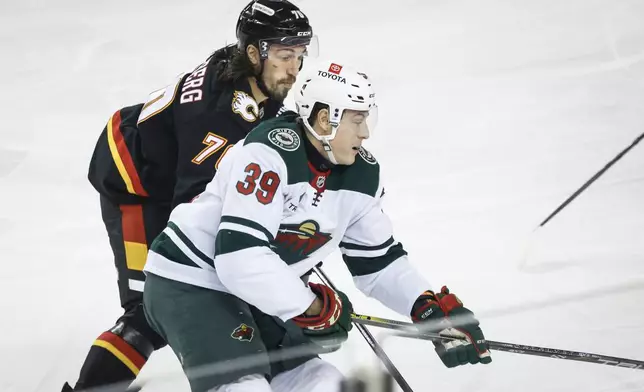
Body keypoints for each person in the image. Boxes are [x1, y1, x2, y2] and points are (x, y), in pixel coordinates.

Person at [142, 61, 492, 392]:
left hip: (264, 293)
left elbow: (378, 262)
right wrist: (308, 306)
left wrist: (427, 310)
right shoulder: (270, 152)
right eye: (356, 121)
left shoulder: (361, 173)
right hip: (190, 281)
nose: (366, 132)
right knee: (244, 386)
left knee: (322, 383)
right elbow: (239, 258)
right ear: (325, 120)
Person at [63, 1, 317, 391]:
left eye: (300, 55)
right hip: (134, 183)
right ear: (254, 53)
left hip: (169, 168)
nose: (295, 68)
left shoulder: (253, 79)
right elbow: (195, 206)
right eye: (285, 56)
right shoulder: (217, 116)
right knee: (148, 310)